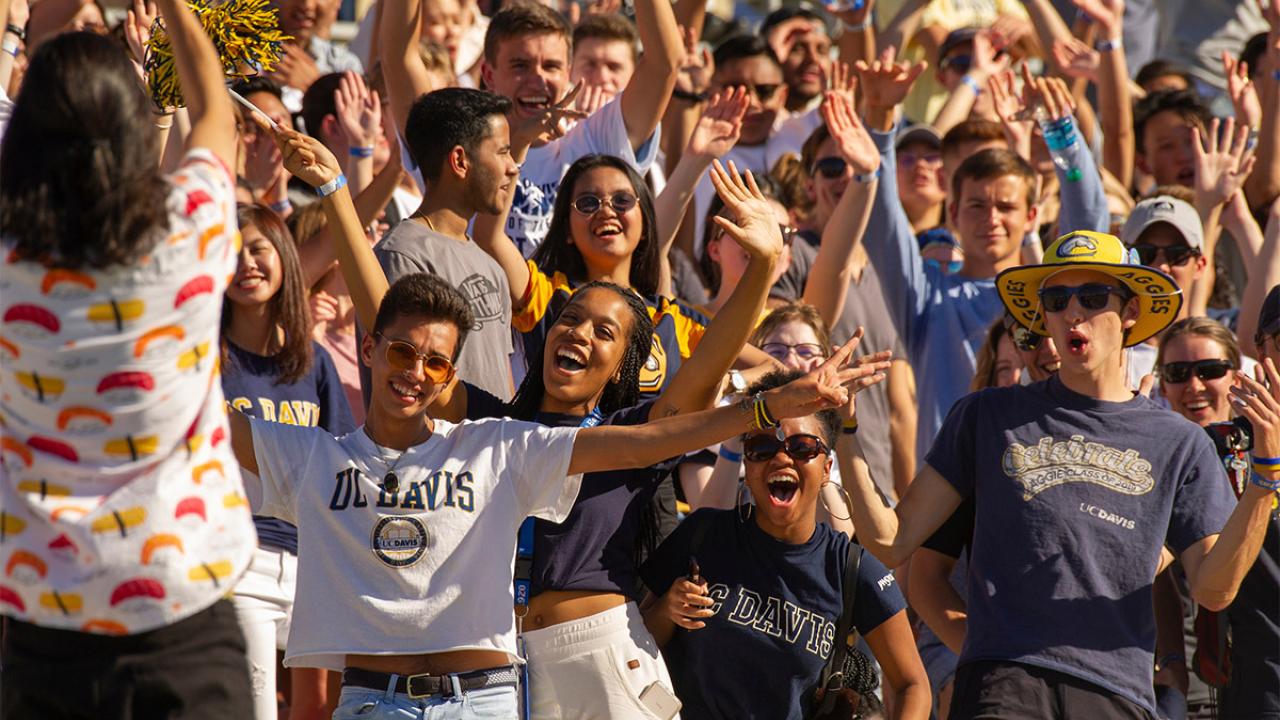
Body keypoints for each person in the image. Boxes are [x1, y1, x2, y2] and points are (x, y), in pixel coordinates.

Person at [237, 118, 878, 719]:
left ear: (625, 362)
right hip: (505, 670)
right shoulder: (489, 430)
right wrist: (336, 193)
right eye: (569, 318)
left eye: (605, 331)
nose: (579, 332)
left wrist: (762, 268)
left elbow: (703, 373)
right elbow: (396, 329)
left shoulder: (632, 432)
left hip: (602, 654)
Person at [840, 229, 1279, 718]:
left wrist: (1264, 478)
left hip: (1118, 694)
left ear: (1130, 313)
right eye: (1056, 298)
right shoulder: (984, 416)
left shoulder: (1180, 443)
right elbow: (892, 543)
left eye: (1092, 297)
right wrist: (847, 431)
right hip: (1003, 682)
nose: (1073, 312)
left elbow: (1213, 589)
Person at [0, 2, 256, 715]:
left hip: (39, 620)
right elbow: (215, 112)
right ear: (131, 131)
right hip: (184, 612)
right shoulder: (189, 236)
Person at [639, 370, 931, 720]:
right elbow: (636, 644)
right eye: (761, 448)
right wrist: (667, 610)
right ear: (747, 462)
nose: (781, 458)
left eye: (802, 447)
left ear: (827, 468)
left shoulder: (851, 568)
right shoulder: (704, 534)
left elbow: (913, 684)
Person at [382, 0, 681, 254]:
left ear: (568, 72)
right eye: (520, 66)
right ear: (488, 73)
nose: (537, 79)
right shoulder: (457, 144)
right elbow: (398, 57)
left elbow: (664, 64)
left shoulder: (597, 140)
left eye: (551, 66)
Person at [222, 204, 356, 720]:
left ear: (284, 258)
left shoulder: (313, 360)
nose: (246, 263)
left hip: (312, 561)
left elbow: (341, 458)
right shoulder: (205, 355)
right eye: (231, 251)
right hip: (239, 560)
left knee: (322, 711)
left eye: (258, 249)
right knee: (255, 708)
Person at [1157, 313, 1280, 720]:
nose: (1193, 385)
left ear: (1235, 375)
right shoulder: (1206, 453)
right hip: (1246, 684)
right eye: (1177, 372)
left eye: (1209, 370)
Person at [364, 87, 519, 403]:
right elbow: (407, 377)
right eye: (502, 152)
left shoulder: (492, 266)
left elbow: (504, 382)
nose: (513, 167)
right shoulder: (403, 255)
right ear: (460, 161)